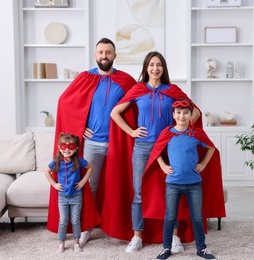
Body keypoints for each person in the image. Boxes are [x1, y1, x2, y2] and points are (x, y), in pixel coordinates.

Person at [108, 51, 201, 253]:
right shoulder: (138, 89)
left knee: (173, 191)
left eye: (159, 64)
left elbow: (195, 111)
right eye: (151, 64)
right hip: (143, 147)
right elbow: (115, 112)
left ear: (163, 68)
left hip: (170, 147)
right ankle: (137, 236)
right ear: (146, 67)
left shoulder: (173, 90)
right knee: (139, 191)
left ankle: (175, 237)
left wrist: (182, 125)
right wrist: (132, 131)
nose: (155, 68)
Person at [47, 38, 137, 245]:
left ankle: (118, 225)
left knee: (118, 184)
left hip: (117, 143)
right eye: (101, 52)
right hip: (92, 144)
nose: (104, 56)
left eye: (108, 52)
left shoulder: (126, 80)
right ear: (95, 55)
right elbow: (65, 103)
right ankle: (86, 228)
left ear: (115, 56)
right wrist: (80, 126)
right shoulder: (84, 78)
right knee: (89, 186)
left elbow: (139, 105)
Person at [152, 99, 216, 259]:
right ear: (173, 115)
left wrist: (203, 164)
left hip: (194, 183)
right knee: (170, 216)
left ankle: (201, 248)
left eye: (185, 112)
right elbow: (156, 151)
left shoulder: (196, 134)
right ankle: (166, 248)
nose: (182, 116)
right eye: (178, 113)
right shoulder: (167, 133)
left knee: (197, 216)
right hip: (173, 184)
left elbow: (211, 148)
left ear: (190, 115)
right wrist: (162, 166)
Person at [44, 134, 93, 253]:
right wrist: (54, 184)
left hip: (76, 195)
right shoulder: (57, 161)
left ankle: (76, 243)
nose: (67, 149)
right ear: (59, 147)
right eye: (63, 146)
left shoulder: (79, 160)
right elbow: (47, 171)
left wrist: (83, 181)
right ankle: (61, 243)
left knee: (76, 220)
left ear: (76, 148)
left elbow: (90, 167)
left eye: (70, 146)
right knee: (63, 220)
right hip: (62, 196)